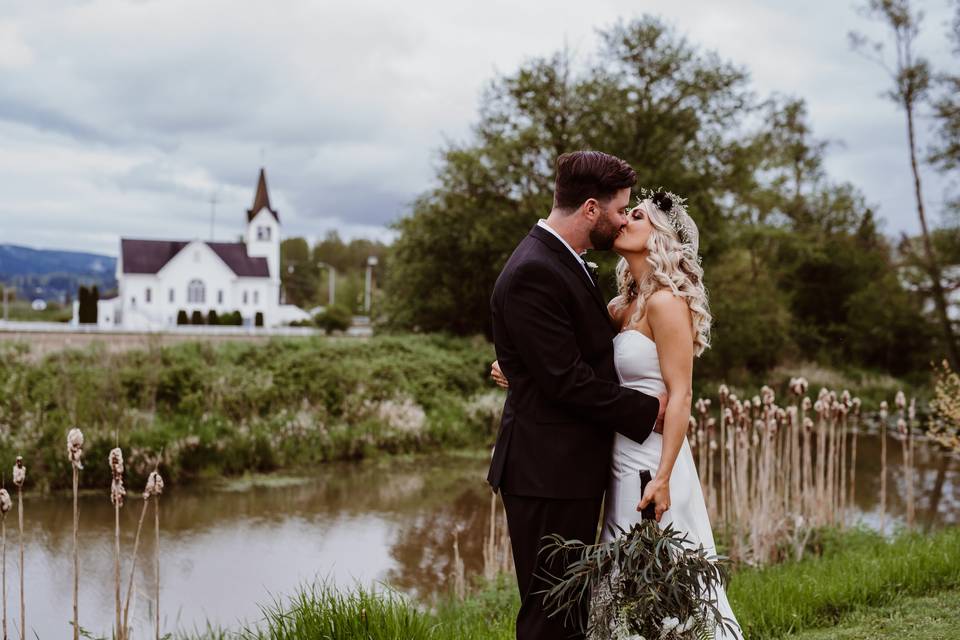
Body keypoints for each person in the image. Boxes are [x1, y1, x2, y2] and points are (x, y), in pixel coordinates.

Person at [491, 188, 743, 639]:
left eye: (637, 216)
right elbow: (571, 363)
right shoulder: (620, 308)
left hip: (653, 461)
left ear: (661, 236)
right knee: (619, 577)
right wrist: (519, 366)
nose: (623, 220)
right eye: (626, 212)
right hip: (615, 459)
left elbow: (681, 396)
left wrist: (664, 476)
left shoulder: (668, 303)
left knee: (659, 578)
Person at [487, 150, 667, 640]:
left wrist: (520, 368)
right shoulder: (535, 270)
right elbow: (565, 380)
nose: (622, 219)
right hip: (546, 472)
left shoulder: (567, 262)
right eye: (618, 210)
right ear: (590, 209)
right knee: (552, 614)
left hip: (566, 468)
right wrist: (648, 410)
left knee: (570, 612)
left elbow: (570, 357)